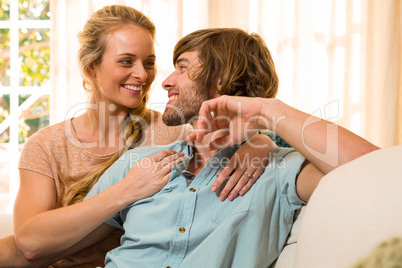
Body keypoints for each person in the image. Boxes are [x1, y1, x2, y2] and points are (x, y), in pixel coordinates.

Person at [36, 27, 376, 267]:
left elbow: (378, 174)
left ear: (221, 79)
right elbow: (35, 247)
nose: (165, 80)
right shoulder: (139, 163)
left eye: (182, 67)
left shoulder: (279, 170)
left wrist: (266, 111)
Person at [0, 6, 269, 268]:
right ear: (92, 66)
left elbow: (225, 140)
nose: (143, 75)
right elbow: (28, 244)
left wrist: (260, 142)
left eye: (149, 63)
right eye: (126, 61)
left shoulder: (174, 132)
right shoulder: (47, 145)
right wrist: (127, 190)